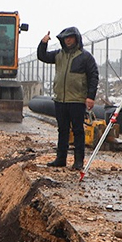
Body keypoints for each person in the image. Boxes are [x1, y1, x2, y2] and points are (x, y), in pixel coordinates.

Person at [37, 26, 98, 169]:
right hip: (60, 100)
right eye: (65, 38)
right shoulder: (59, 55)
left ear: (76, 38)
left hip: (76, 100)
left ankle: (78, 161)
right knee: (62, 130)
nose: (68, 40)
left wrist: (90, 97)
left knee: (78, 130)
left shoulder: (85, 57)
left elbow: (93, 76)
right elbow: (42, 56)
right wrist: (43, 43)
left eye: (70, 37)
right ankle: (61, 158)